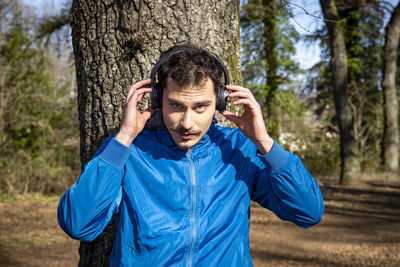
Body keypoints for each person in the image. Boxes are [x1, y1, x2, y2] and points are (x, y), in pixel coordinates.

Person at [58, 44, 324, 266]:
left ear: (218, 102)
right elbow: (79, 224)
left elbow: (308, 212)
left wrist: (264, 142)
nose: (187, 122)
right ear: (157, 99)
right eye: (176, 105)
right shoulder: (128, 151)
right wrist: (124, 138)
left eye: (201, 107)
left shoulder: (238, 150)